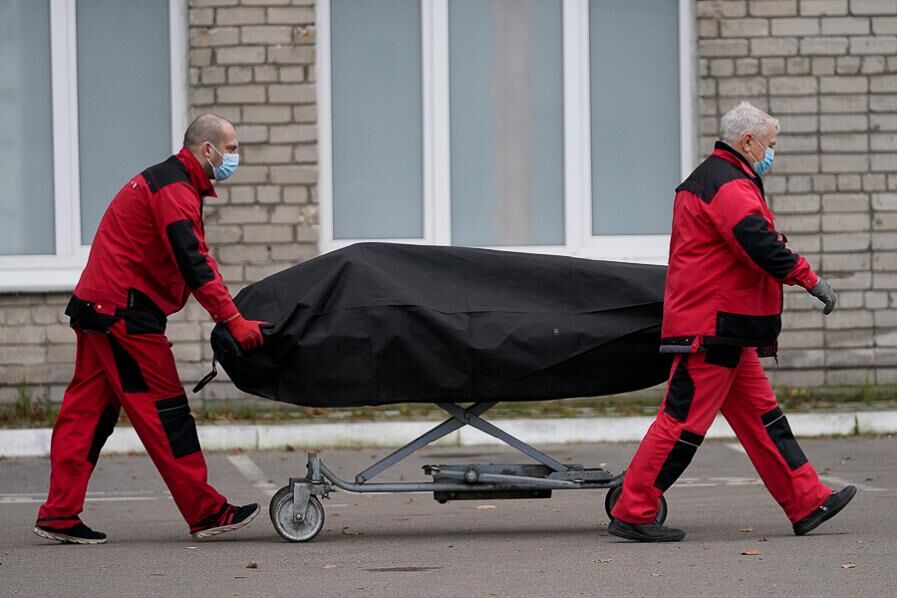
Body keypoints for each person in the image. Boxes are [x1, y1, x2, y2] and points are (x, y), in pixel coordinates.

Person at [608, 101, 856, 542]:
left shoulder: (720, 179)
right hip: (715, 328)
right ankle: (634, 509)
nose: (771, 153)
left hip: (726, 327)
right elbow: (760, 244)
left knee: (764, 420)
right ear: (747, 141)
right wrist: (810, 279)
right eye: (769, 145)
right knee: (682, 423)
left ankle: (806, 501)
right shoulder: (728, 184)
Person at [35, 114, 266, 544]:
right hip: (122, 315)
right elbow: (194, 262)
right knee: (167, 413)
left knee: (87, 414)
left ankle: (59, 513)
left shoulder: (171, 182)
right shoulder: (174, 190)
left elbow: (190, 258)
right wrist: (232, 319)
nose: (236, 156)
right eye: (231, 149)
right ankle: (206, 512)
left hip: (101, 309)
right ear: (208, 150)